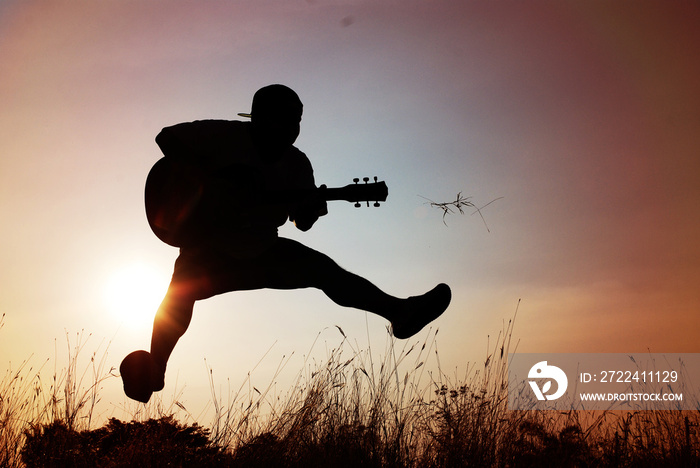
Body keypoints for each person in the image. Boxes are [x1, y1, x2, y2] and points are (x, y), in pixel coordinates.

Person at [120, 84, 451, 403]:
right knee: (179, 297)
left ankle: (400, 313)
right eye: (284, 119)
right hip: (207, 250)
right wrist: (213, 181)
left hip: (263, 250)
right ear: (260, 119)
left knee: (325, 271)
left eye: (296, 122)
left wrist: (307, 212)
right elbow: (166, 137)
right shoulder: (225, 135)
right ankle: (155, 372)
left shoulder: (297, 164)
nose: (291, 129)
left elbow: (301, 222)